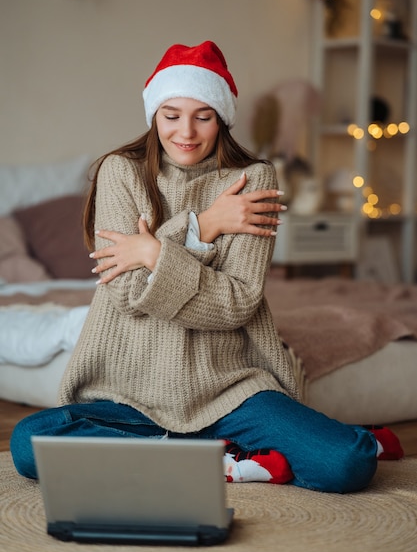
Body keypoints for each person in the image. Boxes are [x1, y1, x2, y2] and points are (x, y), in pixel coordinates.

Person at [11, 41, 383, 492]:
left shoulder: (253, 180)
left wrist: (152, 252)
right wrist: (202, 225)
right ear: (154, 115)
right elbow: (127, 295)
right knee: (29, 442)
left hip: (230, 393)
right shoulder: (120, 172)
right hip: (128, 397)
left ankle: (186, 457)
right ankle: (215, 458)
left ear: (222, 118)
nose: (185, 131)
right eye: (171, 115)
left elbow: (237, 304)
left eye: (202, 116)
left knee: (348, 461)